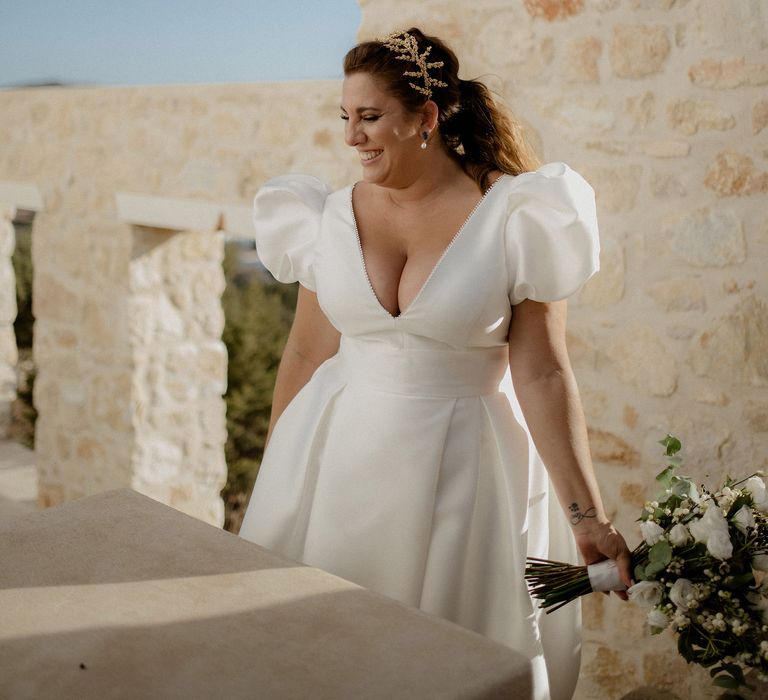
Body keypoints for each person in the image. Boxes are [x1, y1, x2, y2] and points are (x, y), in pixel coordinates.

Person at [238, 27, 632, 700]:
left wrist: (585, 516)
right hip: (333, 461)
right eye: (345, 118)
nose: (351, 137)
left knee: (444, 663)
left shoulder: (517, 215)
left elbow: (542, 373)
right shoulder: (327, 214)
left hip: (463, 472)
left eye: (369, 117)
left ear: (425, 118)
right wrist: (275, 472)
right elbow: (306, 351)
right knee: (320, 650)